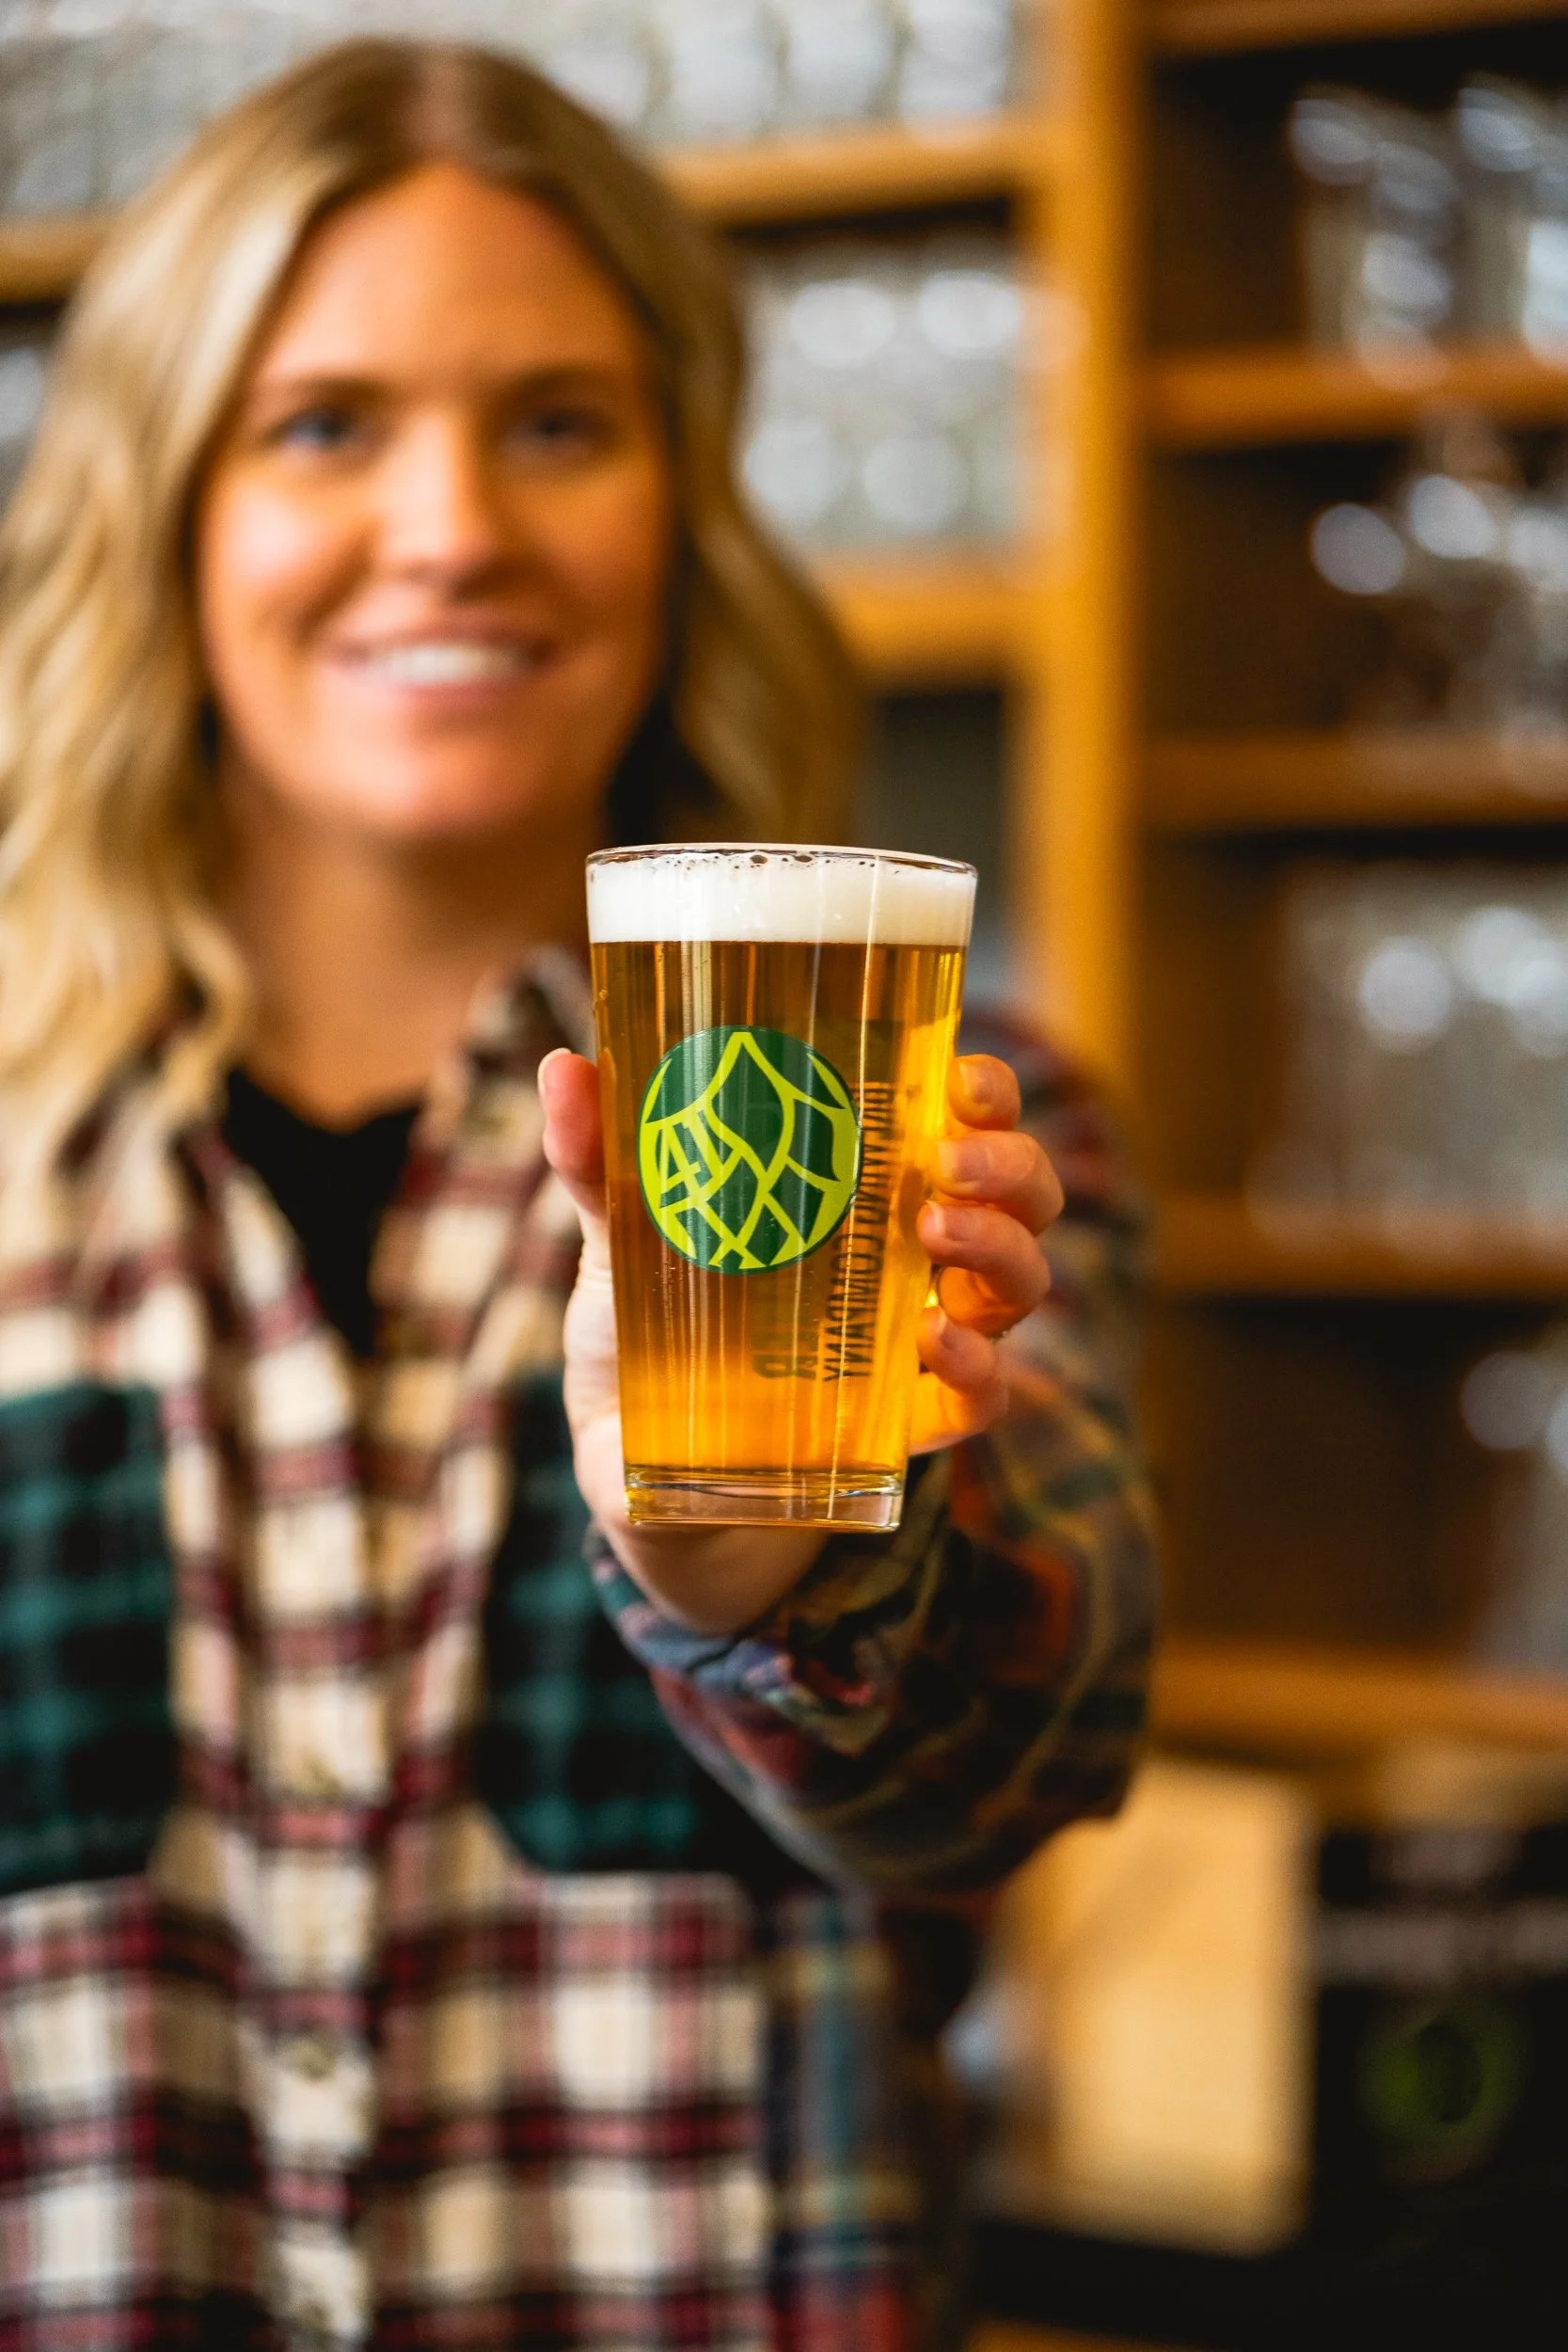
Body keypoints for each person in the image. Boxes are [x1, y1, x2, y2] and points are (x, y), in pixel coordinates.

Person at [0, 39, 1155, 2352]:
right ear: (167, 504)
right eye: (322, 423)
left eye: (556, 422)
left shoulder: (949, 1101)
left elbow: (1021, 1759)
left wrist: (758, 1561)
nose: (450, 527)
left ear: (678, 503)